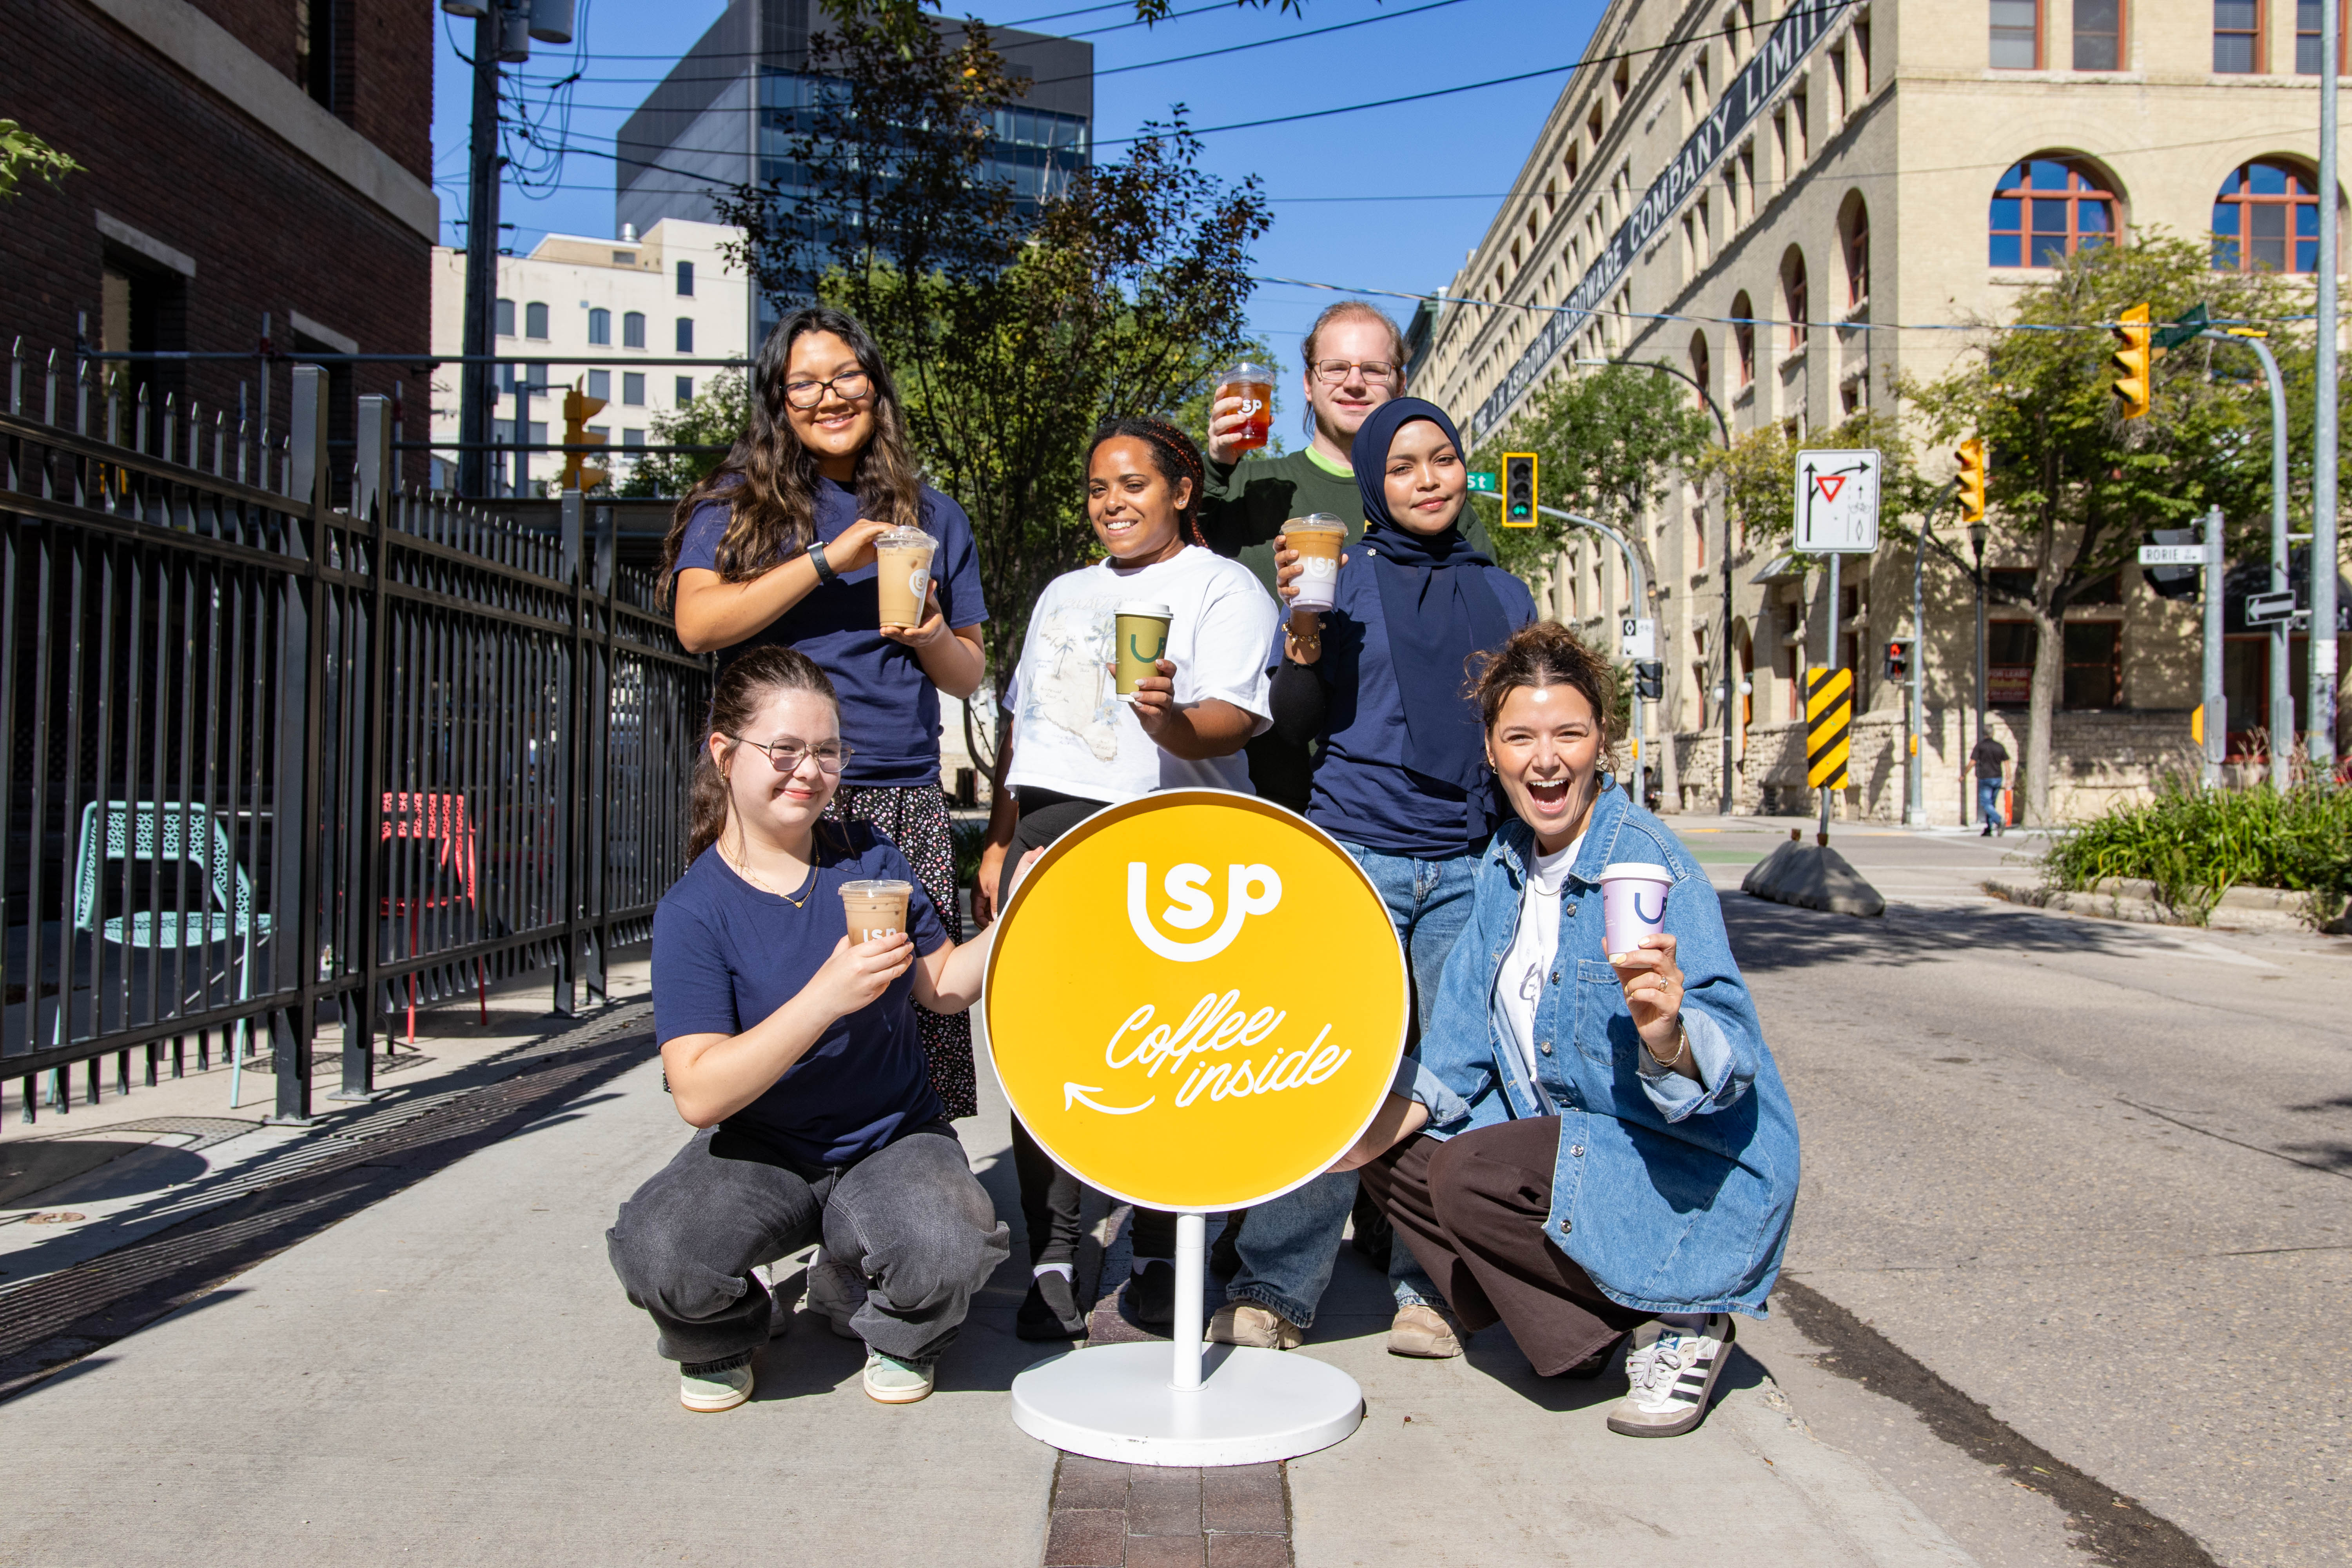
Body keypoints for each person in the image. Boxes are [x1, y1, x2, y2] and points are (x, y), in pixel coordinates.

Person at [1336, 620, 1800, 1439]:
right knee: (1386, 1140)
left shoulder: (1650, 866)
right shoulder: (1505, 862)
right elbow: (1458, 1051)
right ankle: (1582, 1334)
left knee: (1469, 1169)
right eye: (1520, 735)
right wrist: (1336, 1140)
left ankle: (1686, 1319)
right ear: (1491, 748)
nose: (1544, 758)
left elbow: (1732, 1061)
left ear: (1602, 743)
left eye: (1568, 734)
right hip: (1575, 1153)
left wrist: (1667, 1032)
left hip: (1677, 1168)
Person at [1210, 397, 1534, 1361]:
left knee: (1449, 1080)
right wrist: (1302, 629)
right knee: (1329, 1068)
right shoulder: (1338, 576)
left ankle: (1429, 1287)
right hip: (1359, 852)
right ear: (1371, 485)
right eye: (1403, 466)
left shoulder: (1507, 595)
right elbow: (1298, 717)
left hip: (1471, 862)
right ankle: (1276, 1284)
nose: (1428, 479)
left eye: (1443, 460)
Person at [606, 646, 1013, 1414]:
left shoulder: (872, 860)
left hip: (893, 1134)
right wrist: (826, 994)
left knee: (947, 1247)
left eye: (828, 752)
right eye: (784, 750)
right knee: (660, 1247)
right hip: (763, 1145)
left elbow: (944, 989)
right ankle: (729, 1329)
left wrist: (1028, 910)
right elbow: (698, 1091)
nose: (810, 770)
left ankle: (880, 1310)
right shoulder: (697, 910)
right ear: (725, 754)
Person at [974, 417, 1278, 1340]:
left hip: (1171, 835)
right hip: (1056, 827)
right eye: (1099, 488)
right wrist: (1000, 836)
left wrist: (1168, 722)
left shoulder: (1226, 586)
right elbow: (1026, 729)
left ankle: (1158, 1250)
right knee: (1051, 1045)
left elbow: (1234, 718)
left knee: (1175, 1054)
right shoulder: (1064, 592)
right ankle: (1057, 1251)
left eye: (1133, 485)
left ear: (1182, 490)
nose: (1112, 503)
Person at [661, 305, 989, 1122]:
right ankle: (775, 1177)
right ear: (779, 400)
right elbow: (697, 623)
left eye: (845, 375)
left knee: (915, 1012)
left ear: (875, 386)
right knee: (780, 1005)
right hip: (778, 788)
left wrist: (933, 632)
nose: (829, 396)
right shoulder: (740, 505)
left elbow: (969, 671)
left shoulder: (934, 515)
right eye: (803, 382)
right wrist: (824, 559)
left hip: (896, 791)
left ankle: (908, 1189)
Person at [1196, 300, 1494, 810]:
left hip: (1398, 809)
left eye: (1374, 369)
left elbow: (1487, 636)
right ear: (1309, 385)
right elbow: (1160, 544)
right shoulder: (1249, 487)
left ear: (1401, 385)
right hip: (1259, 795)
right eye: (1335, 368)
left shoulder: (1434, 502)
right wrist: (1217, 463)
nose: (1354, 383)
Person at [1971, 730, 2010, 836]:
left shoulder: (1980, 746)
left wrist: (1964, 774)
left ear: (1984, 734)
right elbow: (2007, 762)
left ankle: (1999, 820)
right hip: (1998, 778)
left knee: (1986, 804)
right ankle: (1989, 828)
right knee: (1992, 804)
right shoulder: (1999, 746)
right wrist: (2008, 778)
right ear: (1993, 733)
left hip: (1986, 778)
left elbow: (1973, 762)